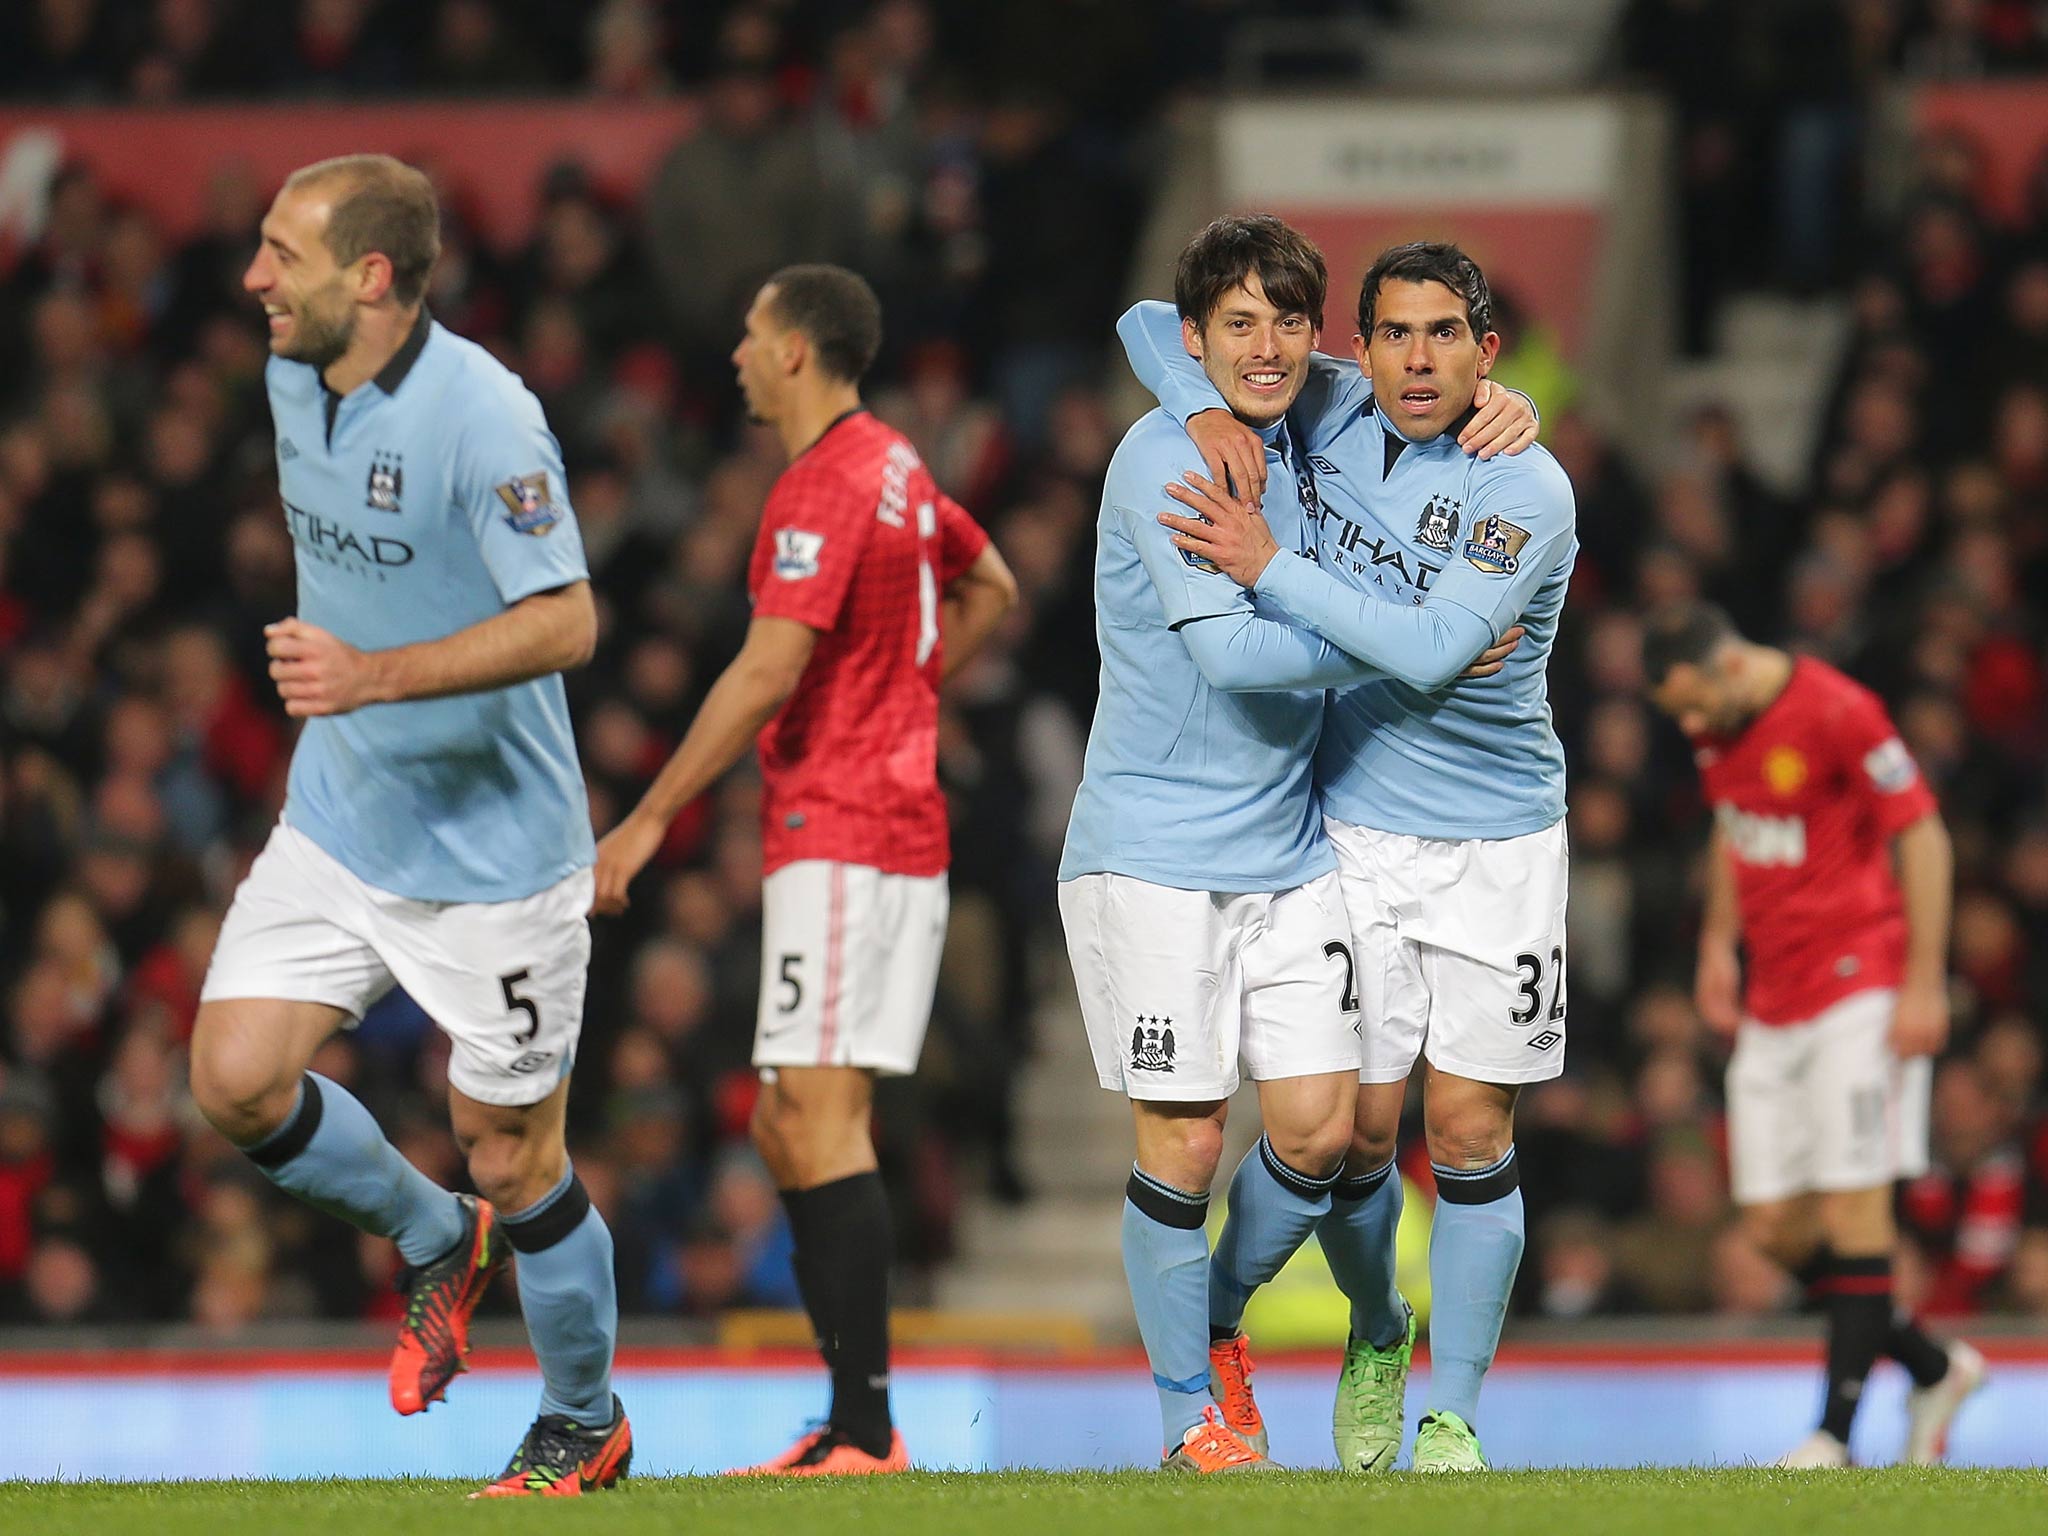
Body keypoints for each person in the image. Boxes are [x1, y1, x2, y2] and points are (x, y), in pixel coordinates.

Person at [185, 154, 629, 1499]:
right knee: (234, 1080)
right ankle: (440, 1237)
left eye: (283, 254)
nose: (254, 278)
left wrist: (372, 675)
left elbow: (570, 620)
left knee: (513, 1143)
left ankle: (583, 1421)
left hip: (496, 859)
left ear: (370, 278)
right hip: (343, 815)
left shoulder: (487, 417)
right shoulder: (289, 372)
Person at [1066, 217, 1534, 1475]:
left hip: (1290, 844)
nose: (1265, 348)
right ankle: (1187, 1420)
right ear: (1196, 339)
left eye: (1285, 321)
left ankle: (1225, 1322)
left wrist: (1509, 397)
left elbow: (1411, 369)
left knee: (1328, 1133)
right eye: (1232, 326)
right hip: (1153, 849)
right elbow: (1230, 655)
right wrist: (1410, 638)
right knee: (1183, 1140)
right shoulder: (1164, 459)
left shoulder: (1313, 409)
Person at [592, 264, 1016, 1476]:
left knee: (819, 1123)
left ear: (792, 349)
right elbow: (992, 584)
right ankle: (846, 1419)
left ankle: (867, 1433)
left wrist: (645, 822)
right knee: (787, 1124)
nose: (733, 349)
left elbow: (767, 670)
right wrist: (904, 695)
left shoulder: (821, 484)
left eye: (748, 330)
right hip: (861, 830)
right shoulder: (899, 463)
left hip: (846, 833)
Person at [1643, 602, 1985, 1468]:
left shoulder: (1838, 711)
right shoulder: (1720, 727)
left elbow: (1924, 835)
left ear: (1728, 667)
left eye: (1691, 705)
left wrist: (1920, 980)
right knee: (1772, 1230)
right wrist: (1720, 943)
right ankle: (1934, 1366)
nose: (1688, 726)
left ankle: (1833, 1435)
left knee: (1855, 1205)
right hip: (1774, 995)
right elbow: (1735, 827)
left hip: (1859, 986)